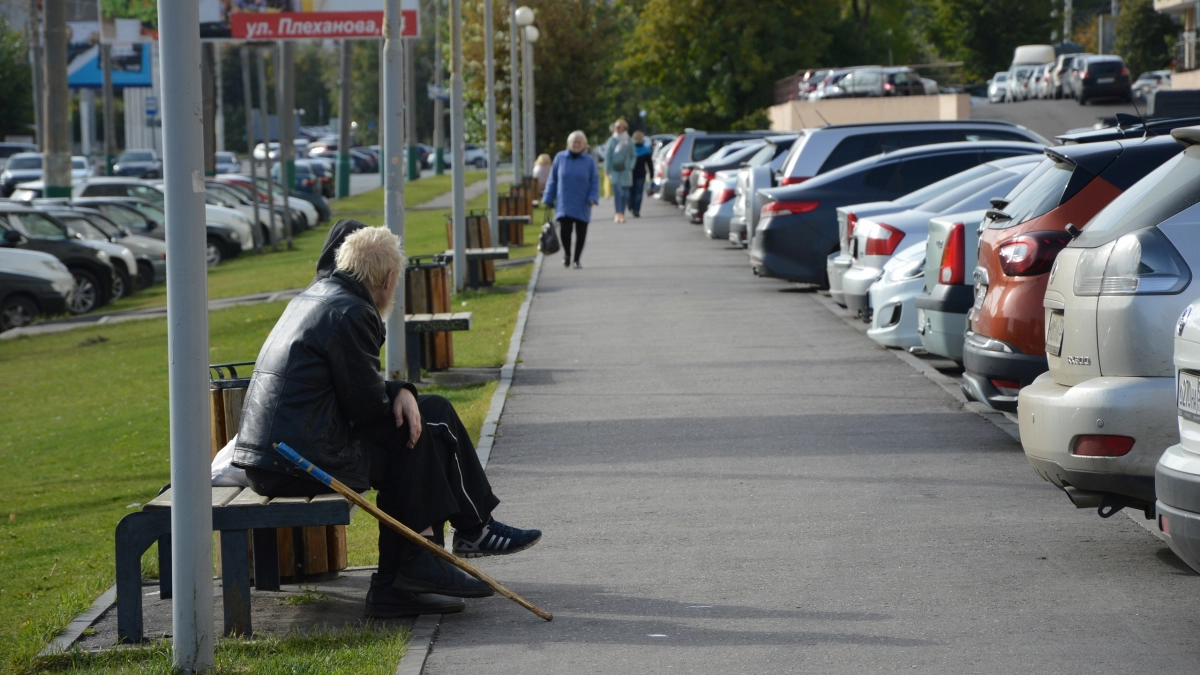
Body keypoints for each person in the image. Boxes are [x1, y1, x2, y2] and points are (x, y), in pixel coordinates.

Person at [233, 220, 542, 618]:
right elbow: (367, 410)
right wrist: (400, 396)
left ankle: (417, 569)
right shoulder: (353, 312)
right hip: (293, 461)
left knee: (430, 413)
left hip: (280, 453)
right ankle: (427, 558)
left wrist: (403, 391)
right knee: (411, 435)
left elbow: (359, 392)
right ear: (390, 276)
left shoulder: (321, 296)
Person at [543, 130, 599, 269]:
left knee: (581, 231)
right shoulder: (560, 158)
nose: (576, 144)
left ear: (584, 145)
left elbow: (595, 181)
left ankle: (577, 259)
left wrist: (593, 197)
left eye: (579, 142)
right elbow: (553, 179)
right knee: (565, 230)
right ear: (569, 143)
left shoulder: (589, 161)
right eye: (574, 142)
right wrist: (548, 197)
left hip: (583, 201)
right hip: (564, 201)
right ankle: (567, 254)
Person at [602, 119, 635, 223]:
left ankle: (622, 213)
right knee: (617, 192)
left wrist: (630, 166)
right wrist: (606, 169)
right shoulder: (611, 140)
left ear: (624, 128)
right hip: (614, 170)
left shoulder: (629, 140)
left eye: (619, 126)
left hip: (625, 170)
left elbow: (633, 155)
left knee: (625, 193)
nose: (617, 128)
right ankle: (618, 213)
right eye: (615, 126)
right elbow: (608, 156)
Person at [630, 131, 652, 218]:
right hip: (641, 174)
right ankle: (636, 210)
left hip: (631, 173)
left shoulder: (630, 150)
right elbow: (650, 164)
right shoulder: (646, 150)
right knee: (639, 193)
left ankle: (631, 205)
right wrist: (651, 174)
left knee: (631, 192)